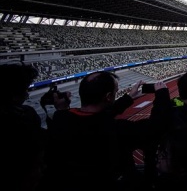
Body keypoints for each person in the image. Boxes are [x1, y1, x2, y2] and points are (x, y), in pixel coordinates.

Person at [40, 71, 172, 191]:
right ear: (109, 97)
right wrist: (162, 94)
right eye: (115, 92)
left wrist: (129, 98)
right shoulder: (116, 130)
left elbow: (99, 116)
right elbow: (156, 127)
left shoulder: (60, 118)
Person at [1, 63, 69, 191]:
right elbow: (53, 144)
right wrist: (58, 110)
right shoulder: (24, 116)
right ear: (13, 94)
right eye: (25, 90)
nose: (27, 95)